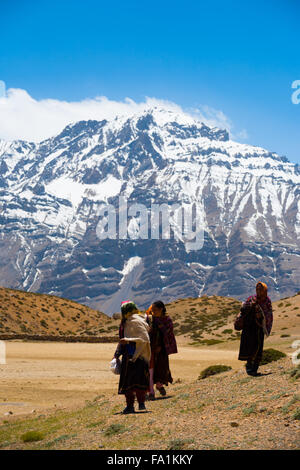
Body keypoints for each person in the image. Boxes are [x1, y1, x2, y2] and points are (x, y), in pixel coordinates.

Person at [114, 300, 151, 414]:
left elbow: (145, 338)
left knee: (138, 380)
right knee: (128, 382)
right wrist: (117, 353)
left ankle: (140, 403)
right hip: (128, 355)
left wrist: (129, 340)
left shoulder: (136, 321)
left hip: (138, 355)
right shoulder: (127, 322)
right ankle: (130, 405)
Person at [234, 281, 273, 376]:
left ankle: (254, 369)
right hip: (249, 328)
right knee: (249, 347)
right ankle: (249, 367)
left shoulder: (267, 301)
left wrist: (261, 317)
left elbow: (268, 314)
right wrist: (251, 306)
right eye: (257, 289)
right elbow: (243, 310)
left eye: (261, 289)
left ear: (264, 290)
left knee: (258, 348)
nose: (259, 291)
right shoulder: (251, 299)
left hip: (259, 328)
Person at [145, 300, 178, 399]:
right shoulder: (150, 320)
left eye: (155, 310)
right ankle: (151, 392)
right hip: (151, 348)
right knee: (150, 369)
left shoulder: (167, 320)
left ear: (161, 309)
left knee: (161, 368)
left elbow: (168, 334)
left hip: (162, 349)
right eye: (152, 310)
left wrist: (161, 346)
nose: (153, 312)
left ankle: (159, 385)